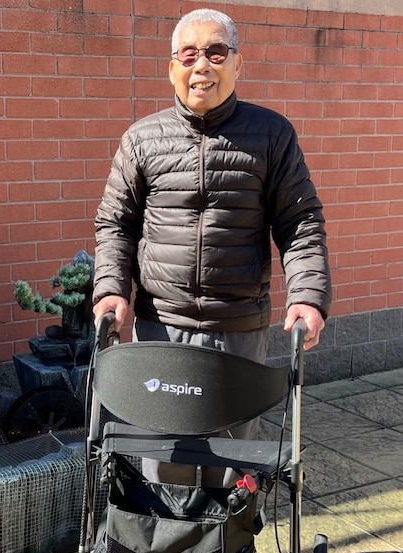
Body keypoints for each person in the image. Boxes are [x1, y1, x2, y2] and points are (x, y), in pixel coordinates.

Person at [92, 8, 331, 488]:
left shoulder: (272, 135)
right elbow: (115, 224)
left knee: (232, 460)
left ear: (237, 65)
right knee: (163, 461)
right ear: (172, 68)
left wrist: (307, 295)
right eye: (189, 54)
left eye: (216, 52)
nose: (202, 66)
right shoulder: (142, 139)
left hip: (238, 331)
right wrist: (112, 291)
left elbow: (300, 221)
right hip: (161, 330)